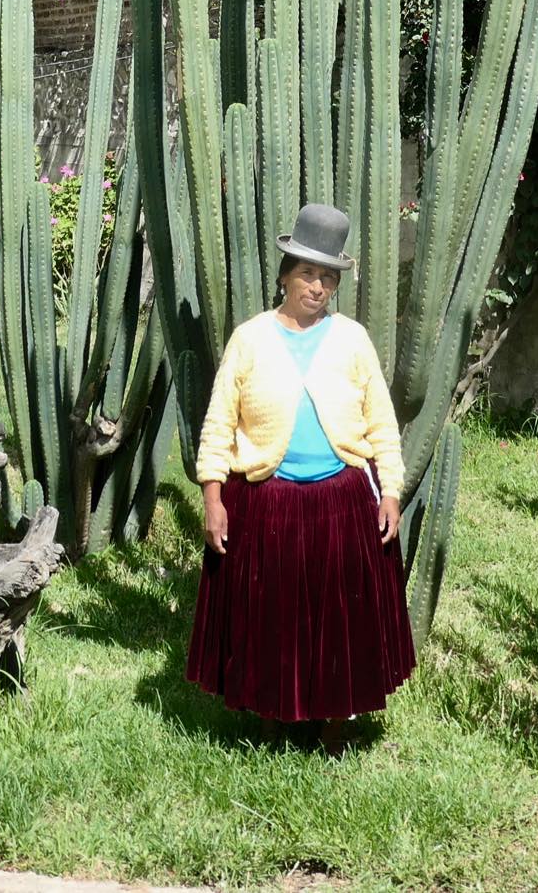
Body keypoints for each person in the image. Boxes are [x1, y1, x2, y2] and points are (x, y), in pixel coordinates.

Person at [185, 202, 415, 745]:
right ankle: (269, 718)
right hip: (268, 500)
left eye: (328, 278)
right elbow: (219, 423)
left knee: (338, 622)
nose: (317, 286)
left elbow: (381, 421)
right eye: (308, 273)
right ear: (285, 275)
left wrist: (391, 491)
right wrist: (214, 500)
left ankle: (335, 722)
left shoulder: (351, 339)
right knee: (271, 619)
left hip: (341, 499)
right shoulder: (250, 339)